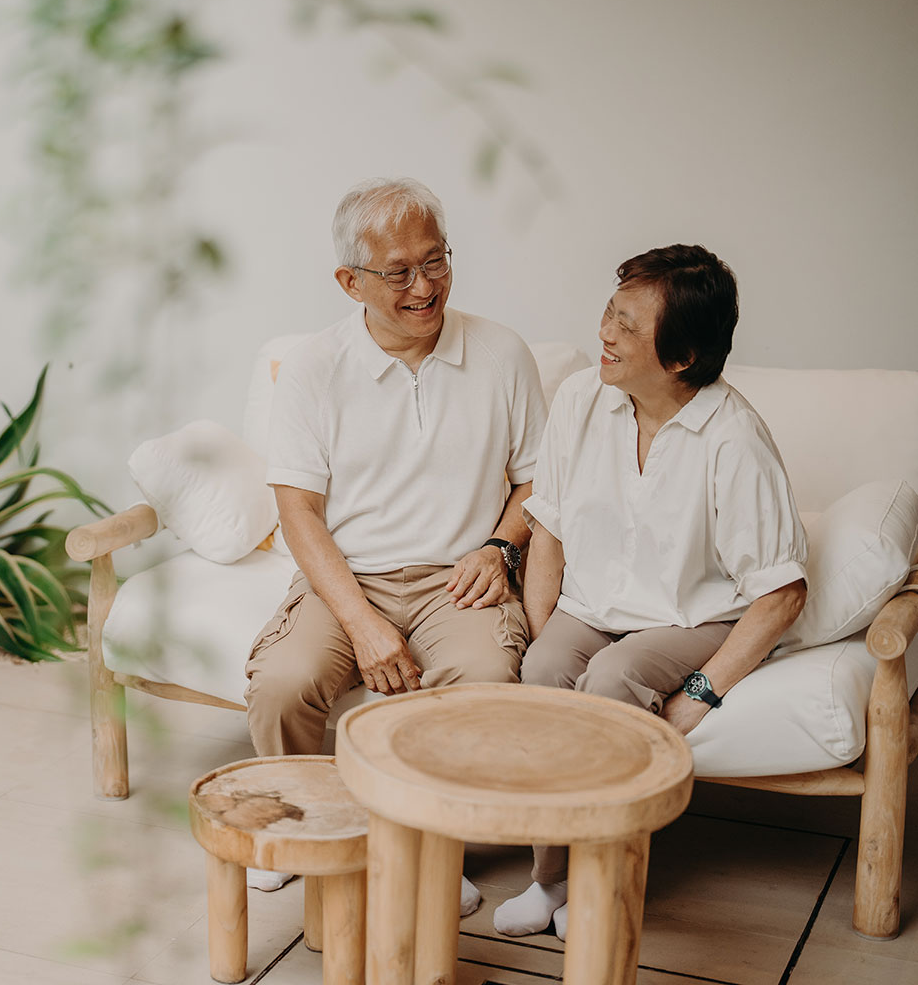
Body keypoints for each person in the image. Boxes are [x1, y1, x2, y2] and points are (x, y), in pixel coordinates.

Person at [493, 244, 808, 940]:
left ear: (681, 357)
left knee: (613, 677)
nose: (605, 332)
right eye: (610, 311)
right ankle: (549, 879)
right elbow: (547, 531)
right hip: (596, 602)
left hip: (695, 614)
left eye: (629, 327)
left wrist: (700, 696)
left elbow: (782, 592)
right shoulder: (582, 398)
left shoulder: (733, 438)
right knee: (544, 671)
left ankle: (605, 881)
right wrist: (547, 631)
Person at [244, 177, 546, 902]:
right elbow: (299, 513)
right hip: (349, 575)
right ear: (350, 282)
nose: (423, 287)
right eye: (398, 272)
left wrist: (500, 548)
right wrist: (363, 623)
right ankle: (296, 820)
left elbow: (541, 482)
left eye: (435, 261)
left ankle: (432, 848)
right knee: (283, 684)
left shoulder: (502, 353)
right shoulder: (315, 366)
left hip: (459, 579)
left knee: (483, 686)